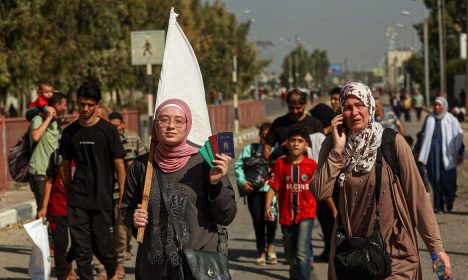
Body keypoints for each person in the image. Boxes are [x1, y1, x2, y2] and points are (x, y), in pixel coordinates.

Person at [311, 82, 452, 280]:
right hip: (354, 253)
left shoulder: (392, 143)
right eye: (348, 107)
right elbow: (319, 191)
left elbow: (418, 198)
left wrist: (437, 249)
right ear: (341, 112)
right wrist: (337, 152)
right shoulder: (334, 144)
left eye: (359, 105)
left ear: (369, 106)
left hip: (395, 250)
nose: (354, 112)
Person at [120, 99, 237, 280]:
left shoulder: (206, 162)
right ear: (156, 124)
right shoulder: (141, 165)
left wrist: (216, 185)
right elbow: (125, 209)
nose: (171, 126)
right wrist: (133, 219)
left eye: (178, 121)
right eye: (164, 120)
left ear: (188, 125)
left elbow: (226, 216)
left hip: (197, 267)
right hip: (154, 269)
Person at [60, 82, 126, 280]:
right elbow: (64, 165)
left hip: (102, 199)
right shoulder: (69, 132)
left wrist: (122, 194)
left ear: (98, 105)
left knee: (104, 247)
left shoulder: (108, 131)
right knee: (82, 250)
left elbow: (119, 165)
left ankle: (112, 272)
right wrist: (69, 189)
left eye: (90, 104)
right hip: (78, 198)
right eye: (82, 104)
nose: (85, 109)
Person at [264, 125, 318, 280]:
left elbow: (320, 191)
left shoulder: (311, 165)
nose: (296, 144)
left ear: (306, 145)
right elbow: (273, 187)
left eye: (300, 141)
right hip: (286, 215)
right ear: (286, 143)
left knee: (302, 253)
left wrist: (333, 209)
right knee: (291, 256)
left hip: (307, 213)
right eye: (292, 140)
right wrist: (268, 206)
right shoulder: (280, 164)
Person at [108, 111, 146, 278]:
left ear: (122, 124)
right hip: (111, 190)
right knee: (117, 231)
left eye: (117, 126)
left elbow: (145, 159)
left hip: (131, 190)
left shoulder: (133, 138)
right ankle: (119, 265)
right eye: (112, 126)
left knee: (127, 228)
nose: (115, 129)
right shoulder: (107, 139)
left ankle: (122, 257)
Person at [235, 122, 278, 266]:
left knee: (271, 220)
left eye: (269, 136)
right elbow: (238, 166)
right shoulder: (250, 149)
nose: (265, 139)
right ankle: (261, 252)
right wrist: (242, 181)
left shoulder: (277, 150)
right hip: (253, 192)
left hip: (271, 192)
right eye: (263, 135)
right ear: (259, 135)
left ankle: (270, 247)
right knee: (258, 221)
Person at [415, 97, 465, 213]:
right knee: (434, 179)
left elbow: (459, 136)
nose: (437, 108)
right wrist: (417, 150)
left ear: (444, 106)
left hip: (448, 155)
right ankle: (438, 205)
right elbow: (422, 135)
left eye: (439, 105)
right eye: (435, 105)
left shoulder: (451, 119)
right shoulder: (429, 118)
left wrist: (460, 152)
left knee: (449, 180)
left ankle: (449, 199)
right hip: (432, 155)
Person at [37, 151, 77, 280]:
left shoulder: (84, 151)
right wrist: (43, 207)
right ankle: (61, 276)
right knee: (60, 245)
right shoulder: (57, 155)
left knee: (81, 243)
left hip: (79, 207)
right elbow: (49, 181)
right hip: (57, 206)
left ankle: (67, 262)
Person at [308, 103, 338, 261]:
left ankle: (330, 251)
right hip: (327, 185)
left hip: (324, 186)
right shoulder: (328, 136)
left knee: (328, 221)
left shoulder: (322, 138)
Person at [29, 92, 68, 213]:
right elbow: (35, 136)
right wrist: (49, 117)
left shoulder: (57, 123)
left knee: (51, 210)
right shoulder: (39, 119)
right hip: (40, 172)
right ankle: (39, 232)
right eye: (64, 104)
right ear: (57, 105)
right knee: (42, 211)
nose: (66, 108)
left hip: (51, 172)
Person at [262, 88, 323, 163]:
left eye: (298, 108)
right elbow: (267, 148)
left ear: (305, 105)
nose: (295, 111)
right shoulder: (278, 123)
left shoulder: (315, 124)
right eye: (291, 108)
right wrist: (274, 164)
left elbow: (322, 150)